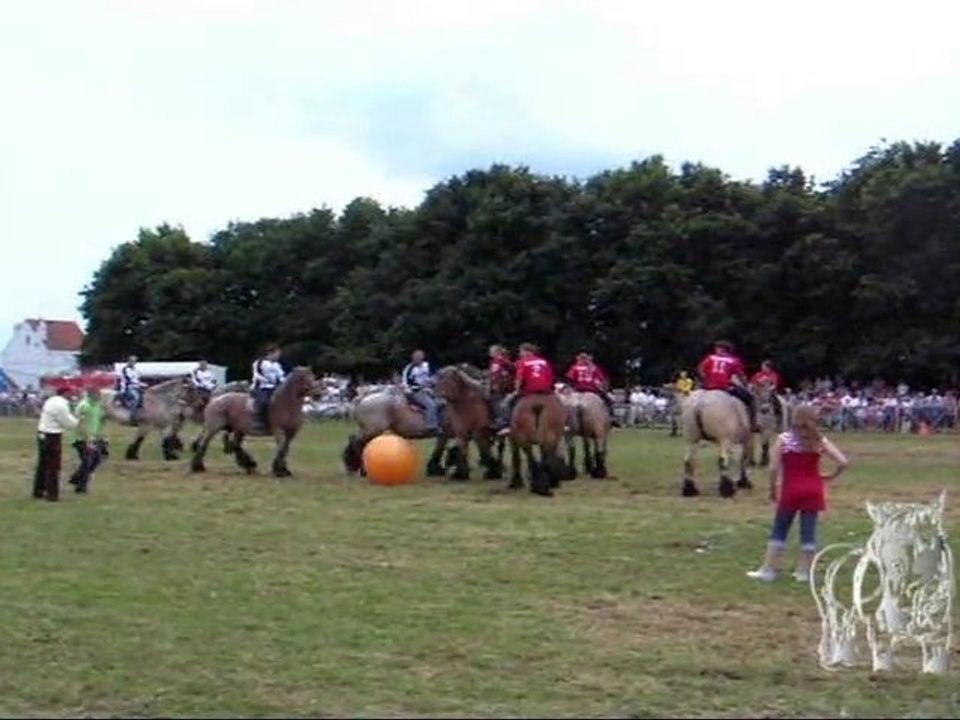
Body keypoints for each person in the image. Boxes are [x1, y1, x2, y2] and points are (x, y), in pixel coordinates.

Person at [746, 404, 849, 583]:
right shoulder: (819, 440)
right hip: (813, 489)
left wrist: (773, 489)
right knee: (808, 531)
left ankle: (769, 569)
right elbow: (843, 462)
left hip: (791, 489)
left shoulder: (784, 439)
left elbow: (773, 468)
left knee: (780, 529)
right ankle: (803, 572)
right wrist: (830, 476)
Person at [697, 340, 758, 432]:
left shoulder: (710, 358)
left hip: (709, 386)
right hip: (725, 387)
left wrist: (705, 379)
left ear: (721, 349)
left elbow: (701, 369)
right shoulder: (733, 360)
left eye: (717, 348)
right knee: (750, 399)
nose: (716, 350)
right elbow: (741, 376)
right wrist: (745, 385)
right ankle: (753, 424)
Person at [33, 387, 79, 502]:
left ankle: (38, 491)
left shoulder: (50, 401)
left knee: (42, 464)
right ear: (65, 393)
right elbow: (68, 423)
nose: (72, 396)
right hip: (52, 436)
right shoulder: (61, 405)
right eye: (71, 393)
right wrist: (79, 421)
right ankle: (52, 495)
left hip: (42, 433)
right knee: (53, 466)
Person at [69, 386, 107, 494]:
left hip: (92, 437)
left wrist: (100, 435)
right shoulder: (84, 406)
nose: (100, 396)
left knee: (97, 459)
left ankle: (76, 478)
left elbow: (98, 421)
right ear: (91, 394)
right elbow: (79, 424)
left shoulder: (97, 406)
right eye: (98, 394)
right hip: (80, 438)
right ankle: (81, 487)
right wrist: (87, 439)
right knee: (87, 461)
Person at [504, 342, 555, 419]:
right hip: (545, 391)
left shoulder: (523, 362)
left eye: (521, 352)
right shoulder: (544, 361)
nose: (520, 354)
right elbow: (550, 377)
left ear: (527, 351)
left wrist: (516, 391)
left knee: (507, 403)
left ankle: (506, 422)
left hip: (529, 390)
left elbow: (519, 378)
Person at [564, 352, 616, 418]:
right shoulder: (594, 368)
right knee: (608, 400)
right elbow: (601, 379)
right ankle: (611, 416)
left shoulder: (575, 367)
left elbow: (569, 379)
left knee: (565, 402)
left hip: (578, 390)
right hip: (592, 390)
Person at [401, 349, 440, 433]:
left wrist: (431, 383)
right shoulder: (409, 368)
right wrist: (410, 390)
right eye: (415, 358)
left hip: (431, 389)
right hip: (417, 391)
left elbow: (436, 377)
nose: (417, 359)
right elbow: (404, 382)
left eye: (419, 358)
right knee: (431, 405)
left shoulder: (428, 366)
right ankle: (432, 426)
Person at [251, 344, 286, 431]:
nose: (278, 357)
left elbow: (281, 376)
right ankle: (258, 421)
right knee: (264, 402)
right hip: (261, 387)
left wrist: (284, 383)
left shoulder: (277, 365)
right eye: (277, 354)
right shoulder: (259, 363)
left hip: (274, 388)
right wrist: (269, 381)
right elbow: (257, 375)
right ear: (270, 353)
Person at [116, 355, 145, 420]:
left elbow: (137, 379)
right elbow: (129, 380)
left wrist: (141, 384)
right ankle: (132, 416)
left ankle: (140, 412)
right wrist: (140, 384)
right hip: (128, 388)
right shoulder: (125, 369)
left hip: (136, 387)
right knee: (136, 397)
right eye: (132, 361)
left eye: (135, 361)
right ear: (128, 361)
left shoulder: (135, 370)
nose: (133, 363)